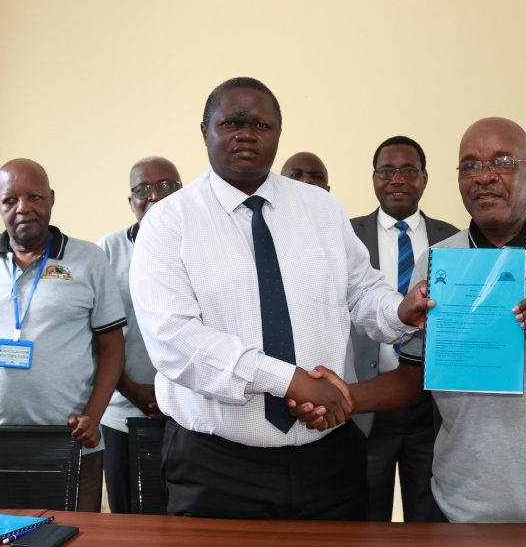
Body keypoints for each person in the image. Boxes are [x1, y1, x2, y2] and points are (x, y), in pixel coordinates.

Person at [300, 117, 526, 523]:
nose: (484, 177)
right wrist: (342, 397)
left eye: (502, 162)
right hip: (464, 509)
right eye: (470, 166)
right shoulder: (438, 262)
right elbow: (413, 379)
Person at [128, 77, 431, 520]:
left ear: (278, 133)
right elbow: (174, 339)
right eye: (231, 123)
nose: (246, 134)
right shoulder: (168, 222)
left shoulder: (321, 209)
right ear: (205, 131)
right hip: (217, 468)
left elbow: (363, 291)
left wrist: (400, 310)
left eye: (261, 125)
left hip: (329, 460)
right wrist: (289, 380)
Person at [0, 158, 126, 512]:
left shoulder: (89, 259)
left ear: (51, 198)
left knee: (70, 533)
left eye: (35, 197)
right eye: (10, 200)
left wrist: (93, 415)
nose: (23, 208)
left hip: (68, 440)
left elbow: (112, 346)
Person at [349, 136, 458, 522]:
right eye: (387, 171)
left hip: (431, 406)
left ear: (425, 178)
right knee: (366, 518)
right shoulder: (347, 236)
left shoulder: (454, 240)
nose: (397, 179)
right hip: (369, 402)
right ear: (373, 178)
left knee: (429, 520)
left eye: (409, 171)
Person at [96, 156, 180, 513]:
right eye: (142, 189)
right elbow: (96, 333)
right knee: (127, 519)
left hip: (189, 411)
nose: (154, 195)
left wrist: (175, 392)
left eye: (166, 186)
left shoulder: (203, 244)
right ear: (130, 202)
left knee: (184, 517)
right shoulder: (108, 250)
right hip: (122, 412)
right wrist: (132, 390)